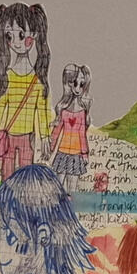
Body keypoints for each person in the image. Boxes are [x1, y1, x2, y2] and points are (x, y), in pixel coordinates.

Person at [0, 3, 52, 179]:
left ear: (34, 34)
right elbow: (0, 107)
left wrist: (45, 136)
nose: (15, 42)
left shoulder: (37, 81)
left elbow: (42, 112)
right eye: (10, 36)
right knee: (6, 175)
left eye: (21, 35)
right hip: (8, 135)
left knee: (25, 175)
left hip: (27, 137)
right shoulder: (8, 76)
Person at [47, 63, 92, 191]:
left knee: (72, 189)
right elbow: (56, 131)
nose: (77, 88)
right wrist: (50, 147)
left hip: (76, 155)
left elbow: (82, 135)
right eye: (74, 83)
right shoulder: (63, 110)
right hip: (62, 152)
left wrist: (84, 154)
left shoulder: (82, 112)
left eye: (81, 84)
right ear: (68, 83)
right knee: (58, 188)